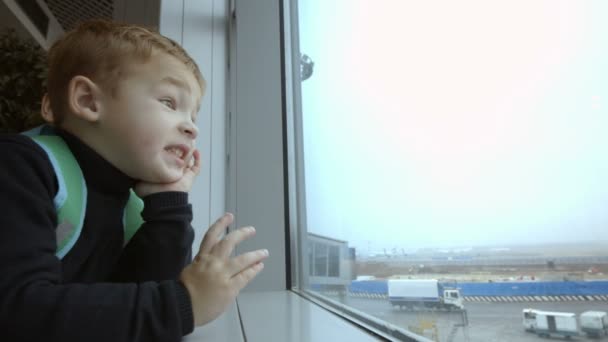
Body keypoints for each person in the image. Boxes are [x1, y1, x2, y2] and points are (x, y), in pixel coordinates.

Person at [0, 19, 268, 342]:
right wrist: (183, 303)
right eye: (170, 103)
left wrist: (169, 203)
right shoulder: (21, 167)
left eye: (193, 116)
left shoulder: (132, 202)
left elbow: (136, 299)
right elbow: (17, 312)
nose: (192, 128)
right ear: (87, 100)